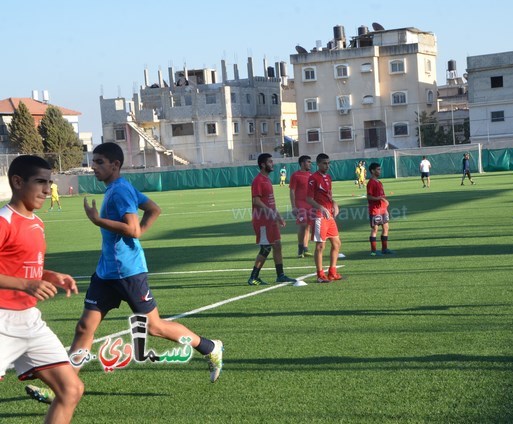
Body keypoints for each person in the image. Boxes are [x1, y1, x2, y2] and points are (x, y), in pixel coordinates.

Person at [66, 142, 223, 386]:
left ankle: (209, 347)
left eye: (99, 162)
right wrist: (137, 234)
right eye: (92, 161)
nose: (93, 167)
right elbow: (153, 209)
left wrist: (98, 221)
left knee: (155, 327)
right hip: (106, 272)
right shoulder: (117, 187)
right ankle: (63, 388)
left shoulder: (119, 191)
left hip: (127, 272)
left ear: (115, 165)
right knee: (85, 328)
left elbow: (132, 228)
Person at [0, 155, 83, 422]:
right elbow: (24, 279)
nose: (48, 190)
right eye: (40, 182)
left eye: (49, 182)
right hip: (1, 321)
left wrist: (51, 276)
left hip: (29, 321)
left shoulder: (36, 222)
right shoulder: (4, 221)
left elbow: (23, 266)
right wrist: (27, 284)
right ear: (17, 182)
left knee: (71, 390)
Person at [247, 153, 298, 285]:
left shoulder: (267, 180)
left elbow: (270, 202)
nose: (272, 164)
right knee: (266, 248)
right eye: (270, 162)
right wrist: (269, 211)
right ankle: (253, 277)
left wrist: (278, 215)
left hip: (271, 219)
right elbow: (256, 201)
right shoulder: (258, 180)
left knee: (277, 245)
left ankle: (280, 275)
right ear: (263, 164)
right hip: (262, 220)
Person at [307, 153, 343, 283]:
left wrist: (335, 204)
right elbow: (309, 199)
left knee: (337, 243)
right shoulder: (313, 178)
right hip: (319, 216)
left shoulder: (328, 177)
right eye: (324, 163)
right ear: (318, 164)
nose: (327, 166)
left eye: (328, 163)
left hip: (329, 216)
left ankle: (332, 272)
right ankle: (320, 274)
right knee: (320, 246)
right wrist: (321, 208)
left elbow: (329, 195)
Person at [367, 162, 393, 256]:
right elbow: (369, 197)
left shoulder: (379, 182)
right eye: (378, 169)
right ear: (372, 171)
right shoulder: (371, 183)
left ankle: (384, 249)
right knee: (375, 229)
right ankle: (373, 251)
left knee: (386, 227)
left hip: (382, 210)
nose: (380, 171)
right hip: (375, 210)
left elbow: (382, 196)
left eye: (380, 169)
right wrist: (380, 198)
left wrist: (385, 208)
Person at [289, 155, 313, 258]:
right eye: (308, 162)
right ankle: (300, 246)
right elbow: (292, 191)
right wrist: (294, 206)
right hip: (300, 204)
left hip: (310, 204)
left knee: (308, 226)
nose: (310, 164)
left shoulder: (311, 175)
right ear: (302, 163)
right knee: (302, 225)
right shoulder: (295, 175)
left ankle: (305, 248)